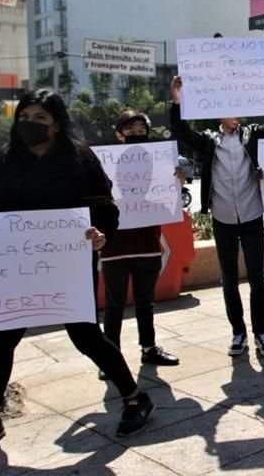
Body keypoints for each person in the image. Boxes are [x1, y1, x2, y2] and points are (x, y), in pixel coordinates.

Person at [0, 90, 153, 453]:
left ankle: (135, 398)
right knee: (1, 339)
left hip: (65, 266)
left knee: (85, 336)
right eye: (25, 116)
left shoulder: (79, 159)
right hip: (11, 268)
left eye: (41, 118)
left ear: (56, 125)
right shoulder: (6, 159)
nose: (30, 124)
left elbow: (107, 210)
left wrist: (101, 237)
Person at [169, 69, 264, 358]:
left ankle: (261, 332)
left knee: (257, 278)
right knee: (229, 279)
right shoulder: (209, 141)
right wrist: (177, 101)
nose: (236, 114)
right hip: (222, 219)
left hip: (252, 217)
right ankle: (238, 333)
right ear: (217, 114)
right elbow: (181, 132)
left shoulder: (253, 135)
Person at [98, 111, 179, 375]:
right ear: (118, 134)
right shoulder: (104, 164)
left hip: (147, 243)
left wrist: (176, 182)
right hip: (114, 247)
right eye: (130, 128)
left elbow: (168, 204)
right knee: (114, 304)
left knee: (146, 302)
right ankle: (110, 357)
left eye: (141, 128)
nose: (136, 132)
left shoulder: (159, 163)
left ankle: (149, 348)